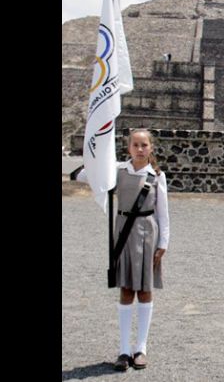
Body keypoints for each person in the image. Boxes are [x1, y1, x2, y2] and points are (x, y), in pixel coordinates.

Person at [70, 129, 170, 371]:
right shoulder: (117, 170)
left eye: (144, 145)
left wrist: (163, 244)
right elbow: (82, 175)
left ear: (151, 147)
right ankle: (124, 350)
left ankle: (141, 348)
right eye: (135, 144)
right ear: (129, 148)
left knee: (144, 291)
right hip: (123, 232)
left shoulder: (157, 176)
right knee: (126, 290)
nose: (140, 149)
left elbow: (163, 214)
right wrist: (98, 157)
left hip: (147, 234)